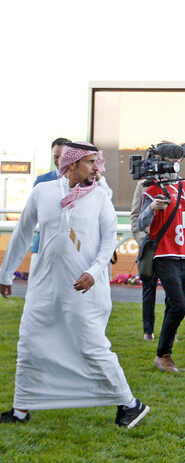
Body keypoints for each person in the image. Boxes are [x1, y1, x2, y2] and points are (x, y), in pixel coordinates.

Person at [0, 142, 149, 428]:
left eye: (97, 162)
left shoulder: (100, 197)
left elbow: (109, 240)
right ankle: (21, 409)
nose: (97, 168)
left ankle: (130, 404)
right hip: (44, 285)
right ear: (72, 164)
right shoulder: (43, 193)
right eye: (91, 162)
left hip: (86, 287)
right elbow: (21, 233)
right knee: (29, 342)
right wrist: (5, 274)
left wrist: (94, 270)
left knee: (90, 345)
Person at [137, 143, 185, 372]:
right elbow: (140, 223)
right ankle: (162, 354)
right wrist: (152, 208)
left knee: (176, 306)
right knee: (178, 306)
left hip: (183, 256)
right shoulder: (151, 188)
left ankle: (166, 354)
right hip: (163, 254)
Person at [29, 137, 69, 270]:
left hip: (70, 247)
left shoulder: (81, 182)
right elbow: (31, 215)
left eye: (61, 157)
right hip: (42, 244)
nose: (58, 161)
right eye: (55, 157)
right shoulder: (41, 181)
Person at [131, 179, 158, 341]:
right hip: (150, 246)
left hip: (170, 247)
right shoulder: (143, 184)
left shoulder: (178, 183)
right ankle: (148, 331)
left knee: (174, 293)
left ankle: (172, 330)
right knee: (149, 290)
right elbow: (135, 215)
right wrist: (143, 240)